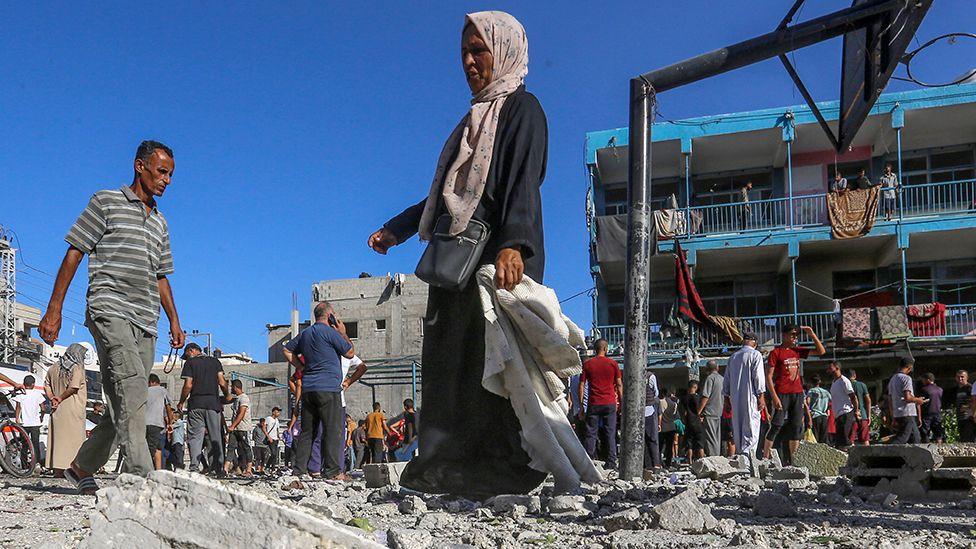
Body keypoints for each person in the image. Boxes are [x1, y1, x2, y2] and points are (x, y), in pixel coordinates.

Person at [366, 11, 548, 498]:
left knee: (493, 366)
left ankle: (503, 468)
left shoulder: (521, 110)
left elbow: (521, 182)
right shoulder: (470, 123)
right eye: (464, 52)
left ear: (504, 50)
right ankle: (446, 464)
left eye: (479, 50)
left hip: (496, 263)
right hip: (453, 266)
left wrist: (516, 244)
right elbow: (446, 195)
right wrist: (398, 229)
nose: (469, 61)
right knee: (448, 365)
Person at [39, 141, 185, 494]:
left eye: (171, 174)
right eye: (161, 171)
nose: (167, 180)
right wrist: (53, 309)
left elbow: (160, 276)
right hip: (109, 308)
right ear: (140, 166)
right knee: (133, 389)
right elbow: (75, 252)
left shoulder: (161, 222)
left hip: (146, 320)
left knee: (126, 401)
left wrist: (175, 322)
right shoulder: (105, 202)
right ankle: (142, 481)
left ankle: (81, 466)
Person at [282, 301, 355, 482]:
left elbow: (286, 349)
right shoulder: (331, 333)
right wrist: (343, 333)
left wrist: (301, 367)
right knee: (333, 430)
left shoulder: (305, 334)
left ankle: (299, 470)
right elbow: (350, 353)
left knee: (308, 431)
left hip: (308, 389)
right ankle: (333, 472)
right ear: (330, 316)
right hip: (329, 388)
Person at [763, 324, 825, 463]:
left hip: (797, 393)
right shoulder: (776, 352)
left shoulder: (797, 351)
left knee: (796, 427)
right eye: (792, 334)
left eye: (796, 335)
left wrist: (812, 334)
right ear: (784, 335)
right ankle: (765, 458)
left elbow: (821, 351)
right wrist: (774, 397)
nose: (794, 337)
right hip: (782, 393)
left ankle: (795, 461)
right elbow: (768, 376)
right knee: (777, 424)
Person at [177, 343, 230, 475]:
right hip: (213, 403)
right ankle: (218, 468)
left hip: (196, 404)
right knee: (216, 436)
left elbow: (188, 385)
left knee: (195, 437)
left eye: (187, 355)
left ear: (192, 350)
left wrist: (181, 402)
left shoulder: (190, 364)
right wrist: (228, 395)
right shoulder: (215, 362)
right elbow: (222, 382)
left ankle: (194, 467)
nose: (187, 358)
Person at [42, 344, 89, 476]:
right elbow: (74, 387)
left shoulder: (54, 367)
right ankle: (74, 471)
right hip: (73, 409)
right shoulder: (77, 368)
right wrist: (60, 398)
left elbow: (46, 385)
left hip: (57, 410)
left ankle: (58, 471)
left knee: (58, 441)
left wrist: (52, 398)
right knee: (74, 441)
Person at [578, 339, 622, 469]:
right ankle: (611, 461)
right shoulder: (613, 364)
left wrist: (581, 406)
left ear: (595, 349)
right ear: (606, 349)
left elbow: (581, 385)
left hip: (594, 402)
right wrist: (622, 402)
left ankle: (589, 461)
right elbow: (619, 384)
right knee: (610, 432)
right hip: (609, 402)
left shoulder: (587, 364)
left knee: (591, 433)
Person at [723, 333, 766, 459]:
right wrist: (761, 396)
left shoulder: (733, 357)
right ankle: (748, 459)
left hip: (735, 398)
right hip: (750, 396)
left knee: (738, 427)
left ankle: (741, 457)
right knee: (751, 426)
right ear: (755, 343)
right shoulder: (755, 355)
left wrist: (726, 399)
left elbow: (727, 379)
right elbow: (758, 377)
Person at [887, 357, 924, 444]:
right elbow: (907, 397)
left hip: (898, 413)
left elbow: (890, 399)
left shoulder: (893, 379)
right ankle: (889, 452)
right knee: (902, 437)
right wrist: (918, 400)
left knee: (916, 438)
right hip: (907, 412)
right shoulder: (906, 379)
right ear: (909, 367)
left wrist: (893, 416)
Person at [14, 375, 45, 472]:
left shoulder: (21, 394)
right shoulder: (38, 394)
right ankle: (37, 464)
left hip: (24, 424)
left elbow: (18, 407)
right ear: (33, 384)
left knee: (24, 445)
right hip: (35, 423)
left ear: (24, 383)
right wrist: (41, 416)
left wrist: (17, 418)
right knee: (35, 444)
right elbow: (43, 408)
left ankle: (24, 466)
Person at [827, 361, 859, 450]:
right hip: (838, 415)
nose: (828, 370)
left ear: (837, 368)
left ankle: (852, 456)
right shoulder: (834, 382)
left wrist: (856, 410)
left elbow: (852, 396)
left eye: (831, 368)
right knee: (839, 441)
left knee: (845, 439)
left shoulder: (844, 381)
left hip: (846, 412)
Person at [697, 360, 724, 457]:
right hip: (719, 411)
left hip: (709, 412)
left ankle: (713, 459)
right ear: (717, 367)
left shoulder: (710, 379)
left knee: (710, 438)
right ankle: (717, 457)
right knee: (716, 437)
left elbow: (705, 396)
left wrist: (698, 411)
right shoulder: (722, 379)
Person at [146, 374, 173, 470]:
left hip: (143, 423)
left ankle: (158, 471)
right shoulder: (163, 390)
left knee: (156, 448)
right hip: (156, 424)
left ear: (150, 382)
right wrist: (170, 423)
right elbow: (169, 408)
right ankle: (150, 471)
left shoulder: (144, 391)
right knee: (153, 449)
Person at [226, 379, 253, 476]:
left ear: (235, 387)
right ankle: (225, 469)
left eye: (231, 387)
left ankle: (249, 470)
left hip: (243, 428)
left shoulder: (244, 398)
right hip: (235, 429)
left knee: (246, 448)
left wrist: (232, 425)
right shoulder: (237, 399)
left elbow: (241, 413)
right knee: (231, 447)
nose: (230, 389)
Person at [683, 380, 706, 463]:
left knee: (689, 444)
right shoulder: (697, 397)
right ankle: (703, 461)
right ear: (695, 388)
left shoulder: (685, 398)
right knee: (700, 443)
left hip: (689, 422)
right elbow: (699, 409)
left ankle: (689, 461)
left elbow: (684, 412)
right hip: (697, 422)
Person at [948, 370, 974, 442]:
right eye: (958, 377)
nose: (960, 379)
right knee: (962, 438)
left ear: (967, 377)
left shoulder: (970, 388)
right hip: (960, 417)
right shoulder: (956, 389)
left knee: (969, 438)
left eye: (962, 377)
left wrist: (967, 407)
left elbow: (974, 401)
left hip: (969, 417)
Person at [919, 373, 944, 443]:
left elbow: (920, 402)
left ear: (928, 380)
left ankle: (926, 449)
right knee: (938, 433)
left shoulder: (924, 389)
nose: (922, 382)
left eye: (923, 380)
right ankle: (940, 449)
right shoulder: (940, 389)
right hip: (937, 413)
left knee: (925, 433)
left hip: (927, 413)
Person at [644, 371, 662, 469]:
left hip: (634, 413)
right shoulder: (650, 376)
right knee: (652, 439)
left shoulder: (629, 373)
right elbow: (656, 393)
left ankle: (646, 465)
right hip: (648, 411)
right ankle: (655, 464)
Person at [849, 369, 872, 445]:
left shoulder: (846, 385)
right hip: (863, 415)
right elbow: (868, 400)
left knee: (850, 441)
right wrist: (868, 415)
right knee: (865, 440)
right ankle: (868, 456)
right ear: (855, 376)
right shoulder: (862, 385)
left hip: (850, 416)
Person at [807, 375, 831, 444]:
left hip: (815, 415)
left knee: (815, 439)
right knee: (824, 438)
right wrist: (827, 409)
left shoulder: (811, 391)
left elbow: (808, 402)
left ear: (811, 383)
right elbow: (831, 402)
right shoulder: (826, 392)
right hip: (824, 416)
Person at [658, 389, 679, 468]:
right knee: (669, 447)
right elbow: (674, 414)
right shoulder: (674, 404)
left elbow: (660, 413)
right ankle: (668, 463)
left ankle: (659, 462)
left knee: (660, 446)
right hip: (672, 427)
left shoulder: (662, 402)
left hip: (663, 427)